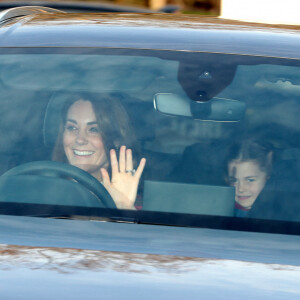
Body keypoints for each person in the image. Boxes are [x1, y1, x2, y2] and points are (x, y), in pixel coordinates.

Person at [52, 92, 146, 210]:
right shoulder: (39, 189)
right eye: (72, 128)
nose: (80, 140)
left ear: (116, 140)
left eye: (93, 129)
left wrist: (122, 207)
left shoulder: (134, 201)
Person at [225, 138, 273, 217]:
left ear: (267, 177)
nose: (240, 189)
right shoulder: (225, 211)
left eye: (250, 180)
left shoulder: (276, 212)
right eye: (234, 180)